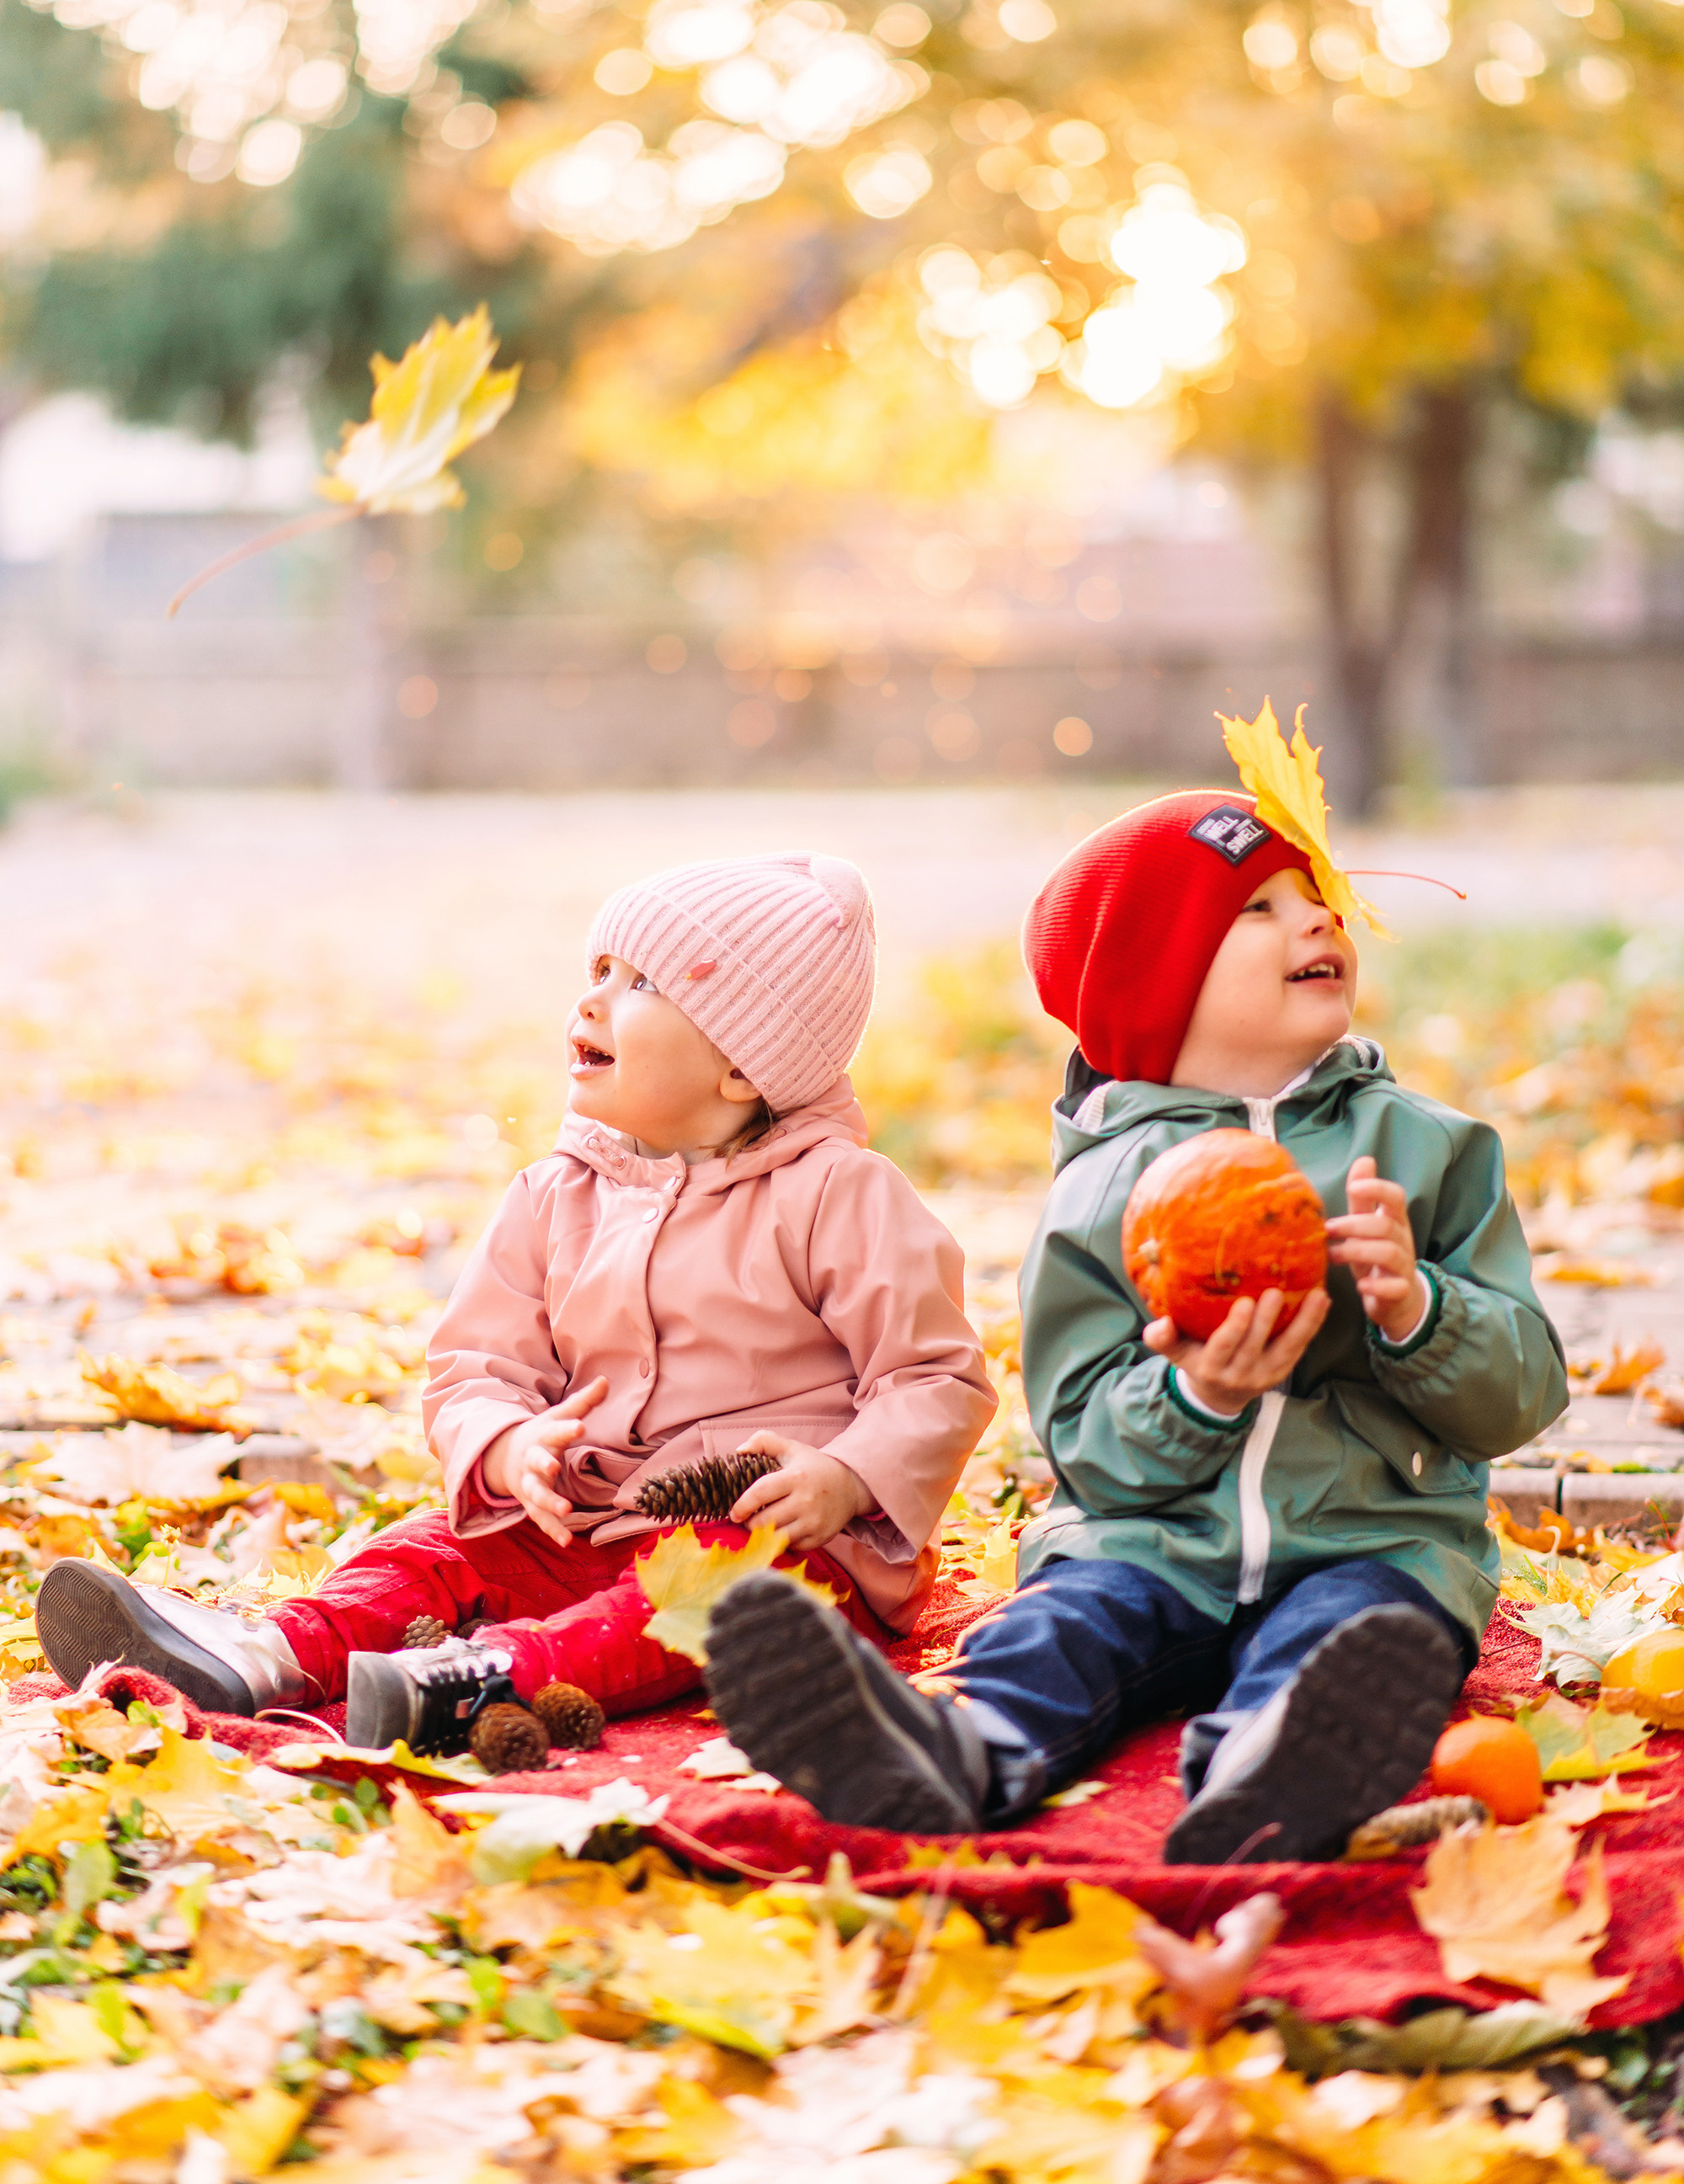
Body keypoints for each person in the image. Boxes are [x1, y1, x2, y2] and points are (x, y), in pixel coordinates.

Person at [705, 789, 1568, 1863]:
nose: (1316, 921)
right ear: (1156, 983)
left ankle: (1274, 1769)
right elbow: (1081, 1444)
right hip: (1144, 1540)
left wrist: (1420, 1311)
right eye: (1254, 910)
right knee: (1062, 1629)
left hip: (1372, 1541)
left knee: (1350, 1639)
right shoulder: (1104, 1192)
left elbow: (1523, 1395)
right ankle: (944, 1752)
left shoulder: (1428, 1153)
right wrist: (1193, 1396)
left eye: (1313, 898)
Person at [38, 852, 996, 1753]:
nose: (590, 998)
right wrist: (505, 1443)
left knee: (711, 1588)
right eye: (600, 968)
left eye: (641, 985)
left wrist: (847, 1477)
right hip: (576, 1514)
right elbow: (476, 1365)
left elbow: (934, 1378)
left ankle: (484, 1683)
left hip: (779, 1535)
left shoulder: (839, 1195)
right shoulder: (553, 1194)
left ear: (742, 1066)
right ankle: (270, 1652)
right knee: (433, 1546)